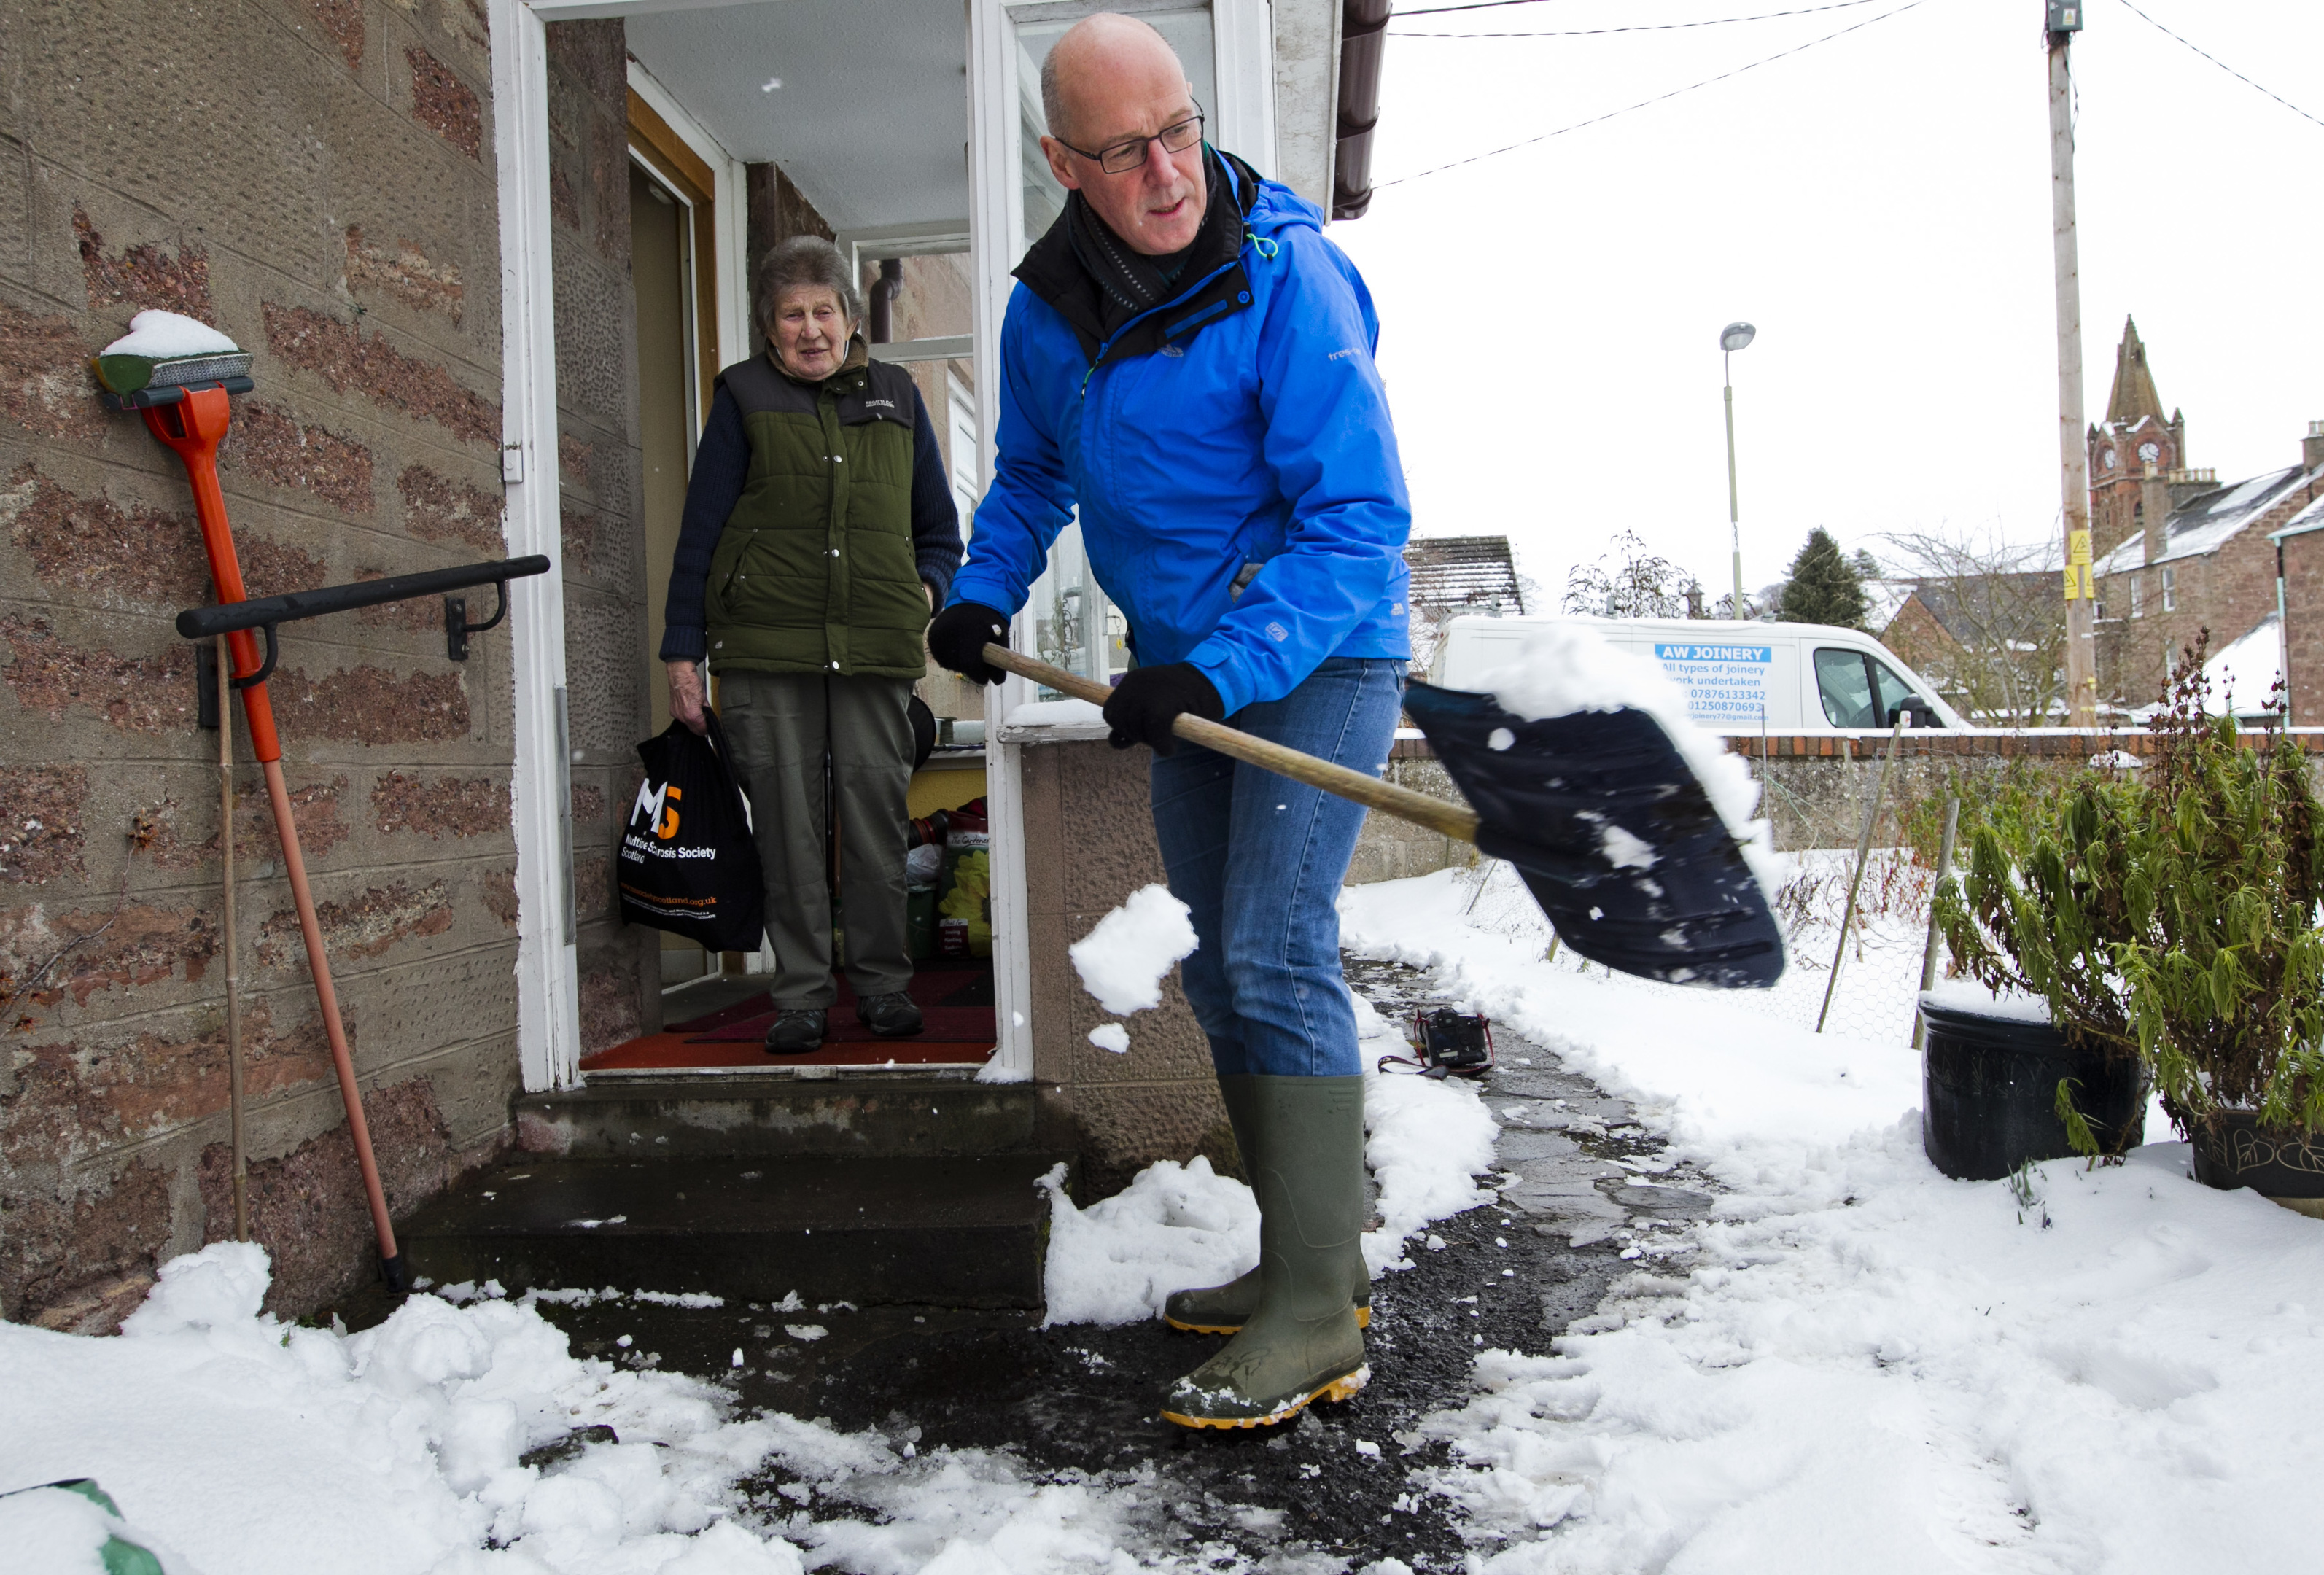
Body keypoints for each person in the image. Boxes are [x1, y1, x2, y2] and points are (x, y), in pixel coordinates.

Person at [925, 13, 1410, 1427]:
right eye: (1126, 149)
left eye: (1180, 129)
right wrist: (981, 591)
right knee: (1222, 971)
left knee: (1273, 943)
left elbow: (1360, 521)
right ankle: (1302, 1259)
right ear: (1061, 163)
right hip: (1185, 670)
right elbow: (1027, 480)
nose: (1167, 170)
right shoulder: (1048, 315)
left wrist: (1220, 666)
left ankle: (1323, 1311)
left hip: (1319, 652)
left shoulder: (1284, 278)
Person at [663, 236, 963, 1053]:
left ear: (849, 318)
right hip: (765, 649)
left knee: (871, 821)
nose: (810, 330)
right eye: (792, 315)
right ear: (769, 327)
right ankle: (798, 993)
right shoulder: (742, 397)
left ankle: (881, 986)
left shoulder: (897, 396)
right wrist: (681, 656)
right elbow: (701, 534)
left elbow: (938, 530)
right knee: (789, 830)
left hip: (872, 647)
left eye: (823, 312)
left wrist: (924, 593)